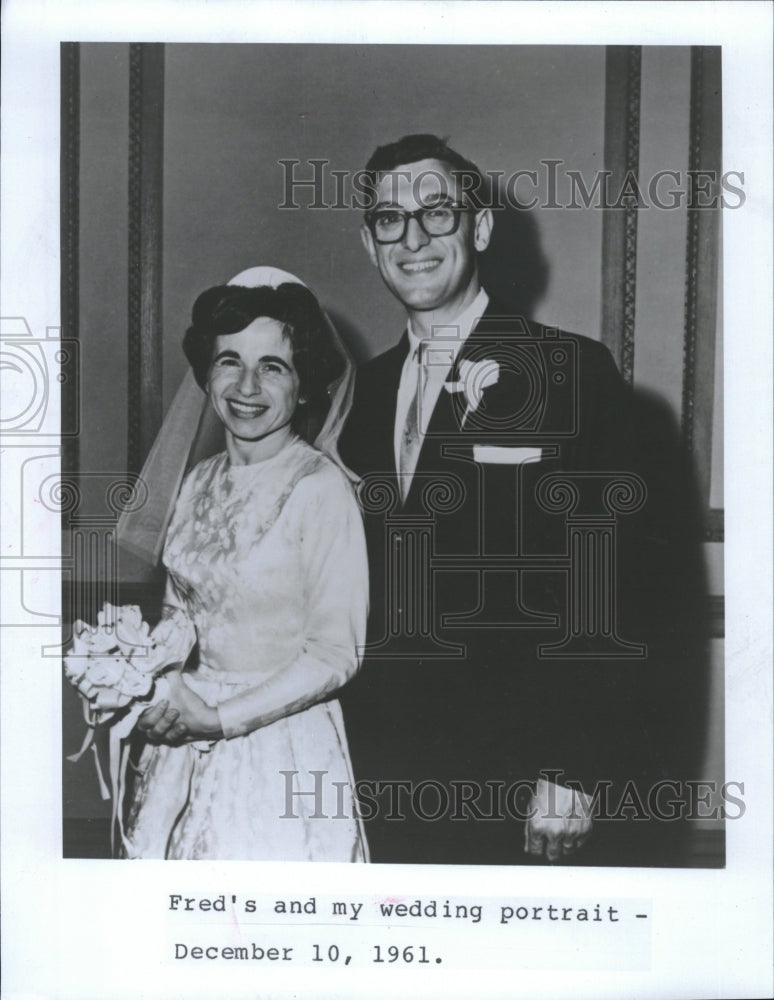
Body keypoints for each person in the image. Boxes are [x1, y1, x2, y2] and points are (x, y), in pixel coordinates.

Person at [337, 134, 707, 866]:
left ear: (478, 228)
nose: (412, 238)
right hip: (376, 775)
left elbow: (625, 592)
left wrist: (574, 769)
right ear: (368, 243)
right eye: (389, 219)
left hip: (519, 776)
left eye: (436, 213)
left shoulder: (572, 373)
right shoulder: (354, 397)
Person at [122, 268, 369, 862]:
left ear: (304, 384)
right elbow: (181, 615)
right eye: (229, 360)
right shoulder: (196, 481)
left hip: (281, 743)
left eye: (273, 366)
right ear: (207, 375)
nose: (247, 385)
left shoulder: (322, 489)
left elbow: (337, 654)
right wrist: (143, 685)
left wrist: (221, 718)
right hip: (185, 736)